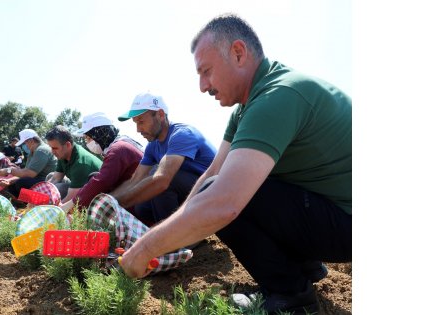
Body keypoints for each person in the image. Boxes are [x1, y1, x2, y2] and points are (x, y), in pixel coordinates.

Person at [119, 14, 352, 315]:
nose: (203, 86)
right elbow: (212, 173)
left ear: (238, 53)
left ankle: (292, 297)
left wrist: (145, 250)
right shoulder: (246, 107)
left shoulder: (276, 97)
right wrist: (175, 225)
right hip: (331, 215)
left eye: (206, 72)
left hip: (350, 226)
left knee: (228, 197)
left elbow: (223, 202)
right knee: (218, 188)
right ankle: (304, 270)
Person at [111, 92, 216, 226]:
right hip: (190, 192)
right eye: (135, 123)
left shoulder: (182, 134)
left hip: (214, 190)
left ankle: (179, 238)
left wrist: (121, 202)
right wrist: (111, 201)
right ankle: (184, 229)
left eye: (141, 121)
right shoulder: (152, 145)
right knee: (142, 206)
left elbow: (162, 180)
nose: (138, 129)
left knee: (161, 181)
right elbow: (136, 179)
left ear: (160, 114)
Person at [60, 112, 144, 214]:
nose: (87, 142)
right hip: (134, 194)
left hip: (140, 203)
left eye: (89, 138)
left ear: (100, 134)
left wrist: (71, 204)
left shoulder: (118, 149)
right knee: (93, 176)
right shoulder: (120, 145)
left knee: (95, 183)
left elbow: (101, 181)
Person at [45, 125, 102, 204]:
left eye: (55, 148)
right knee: (50, 177)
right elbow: (55, 178)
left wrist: (53, 210)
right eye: (51, 147)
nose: (52, 151)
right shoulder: (63, 154)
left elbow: (71, 198)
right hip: (79, 186)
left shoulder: (81, 163)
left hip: (98, 196)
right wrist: (40, 194)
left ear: (68, 145)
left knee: (57, 189)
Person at [0, 129, 57, 199]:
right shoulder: (32, 153)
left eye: (25, 143)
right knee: (12, 185)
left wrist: (9, 170)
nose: (24, 147)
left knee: (22, 183)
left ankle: (37, 201)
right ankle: (23, 203)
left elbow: (30, 173)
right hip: (38, 180)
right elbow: (24, 172)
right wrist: (9, 181)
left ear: (31, 141)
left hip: (49, 183)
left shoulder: (41, 150)